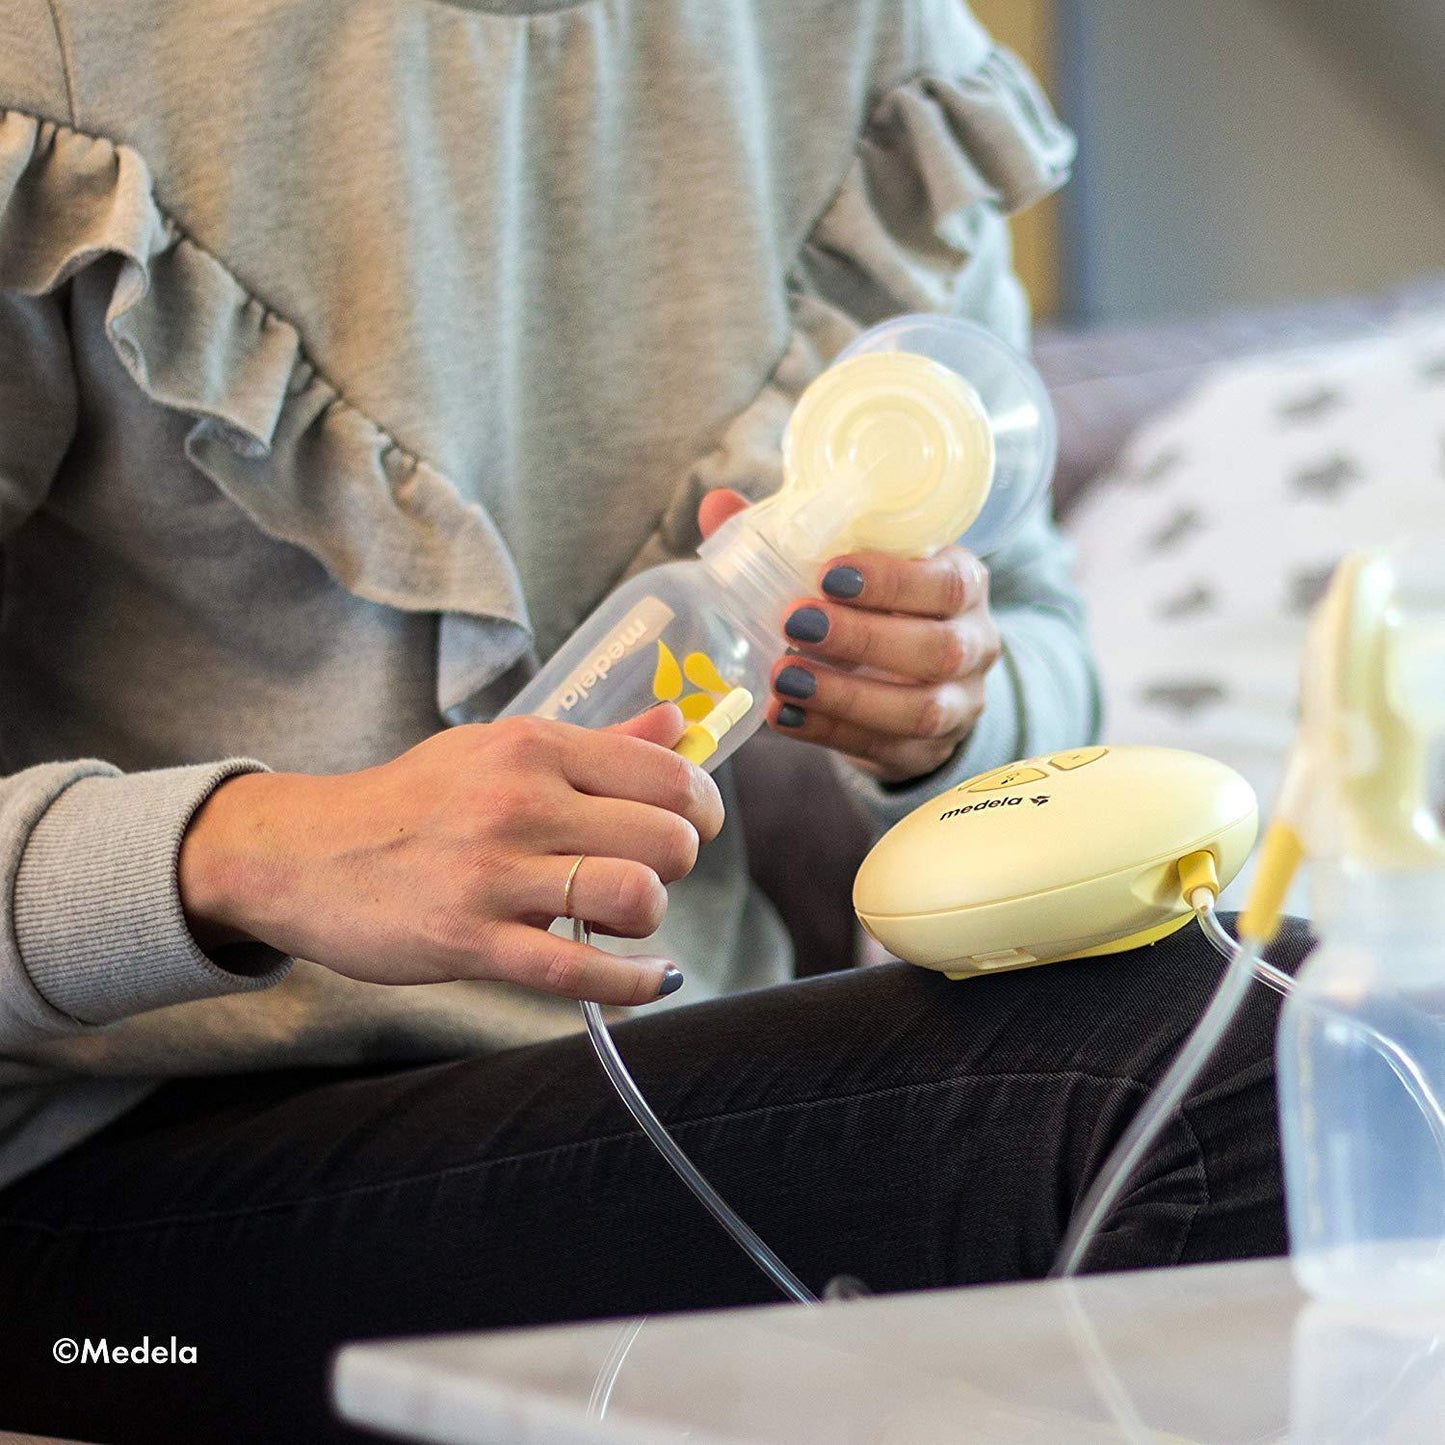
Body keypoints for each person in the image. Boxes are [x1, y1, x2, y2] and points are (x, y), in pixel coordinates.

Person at [0, 2, 1302, 1440]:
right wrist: (252, 852)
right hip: (120, 1194)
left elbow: (1037, 636)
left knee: (1316, 1023)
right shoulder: (60, 52)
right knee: (1236, 1074)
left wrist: (946, 707)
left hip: (667, 1088)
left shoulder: (865, 38)